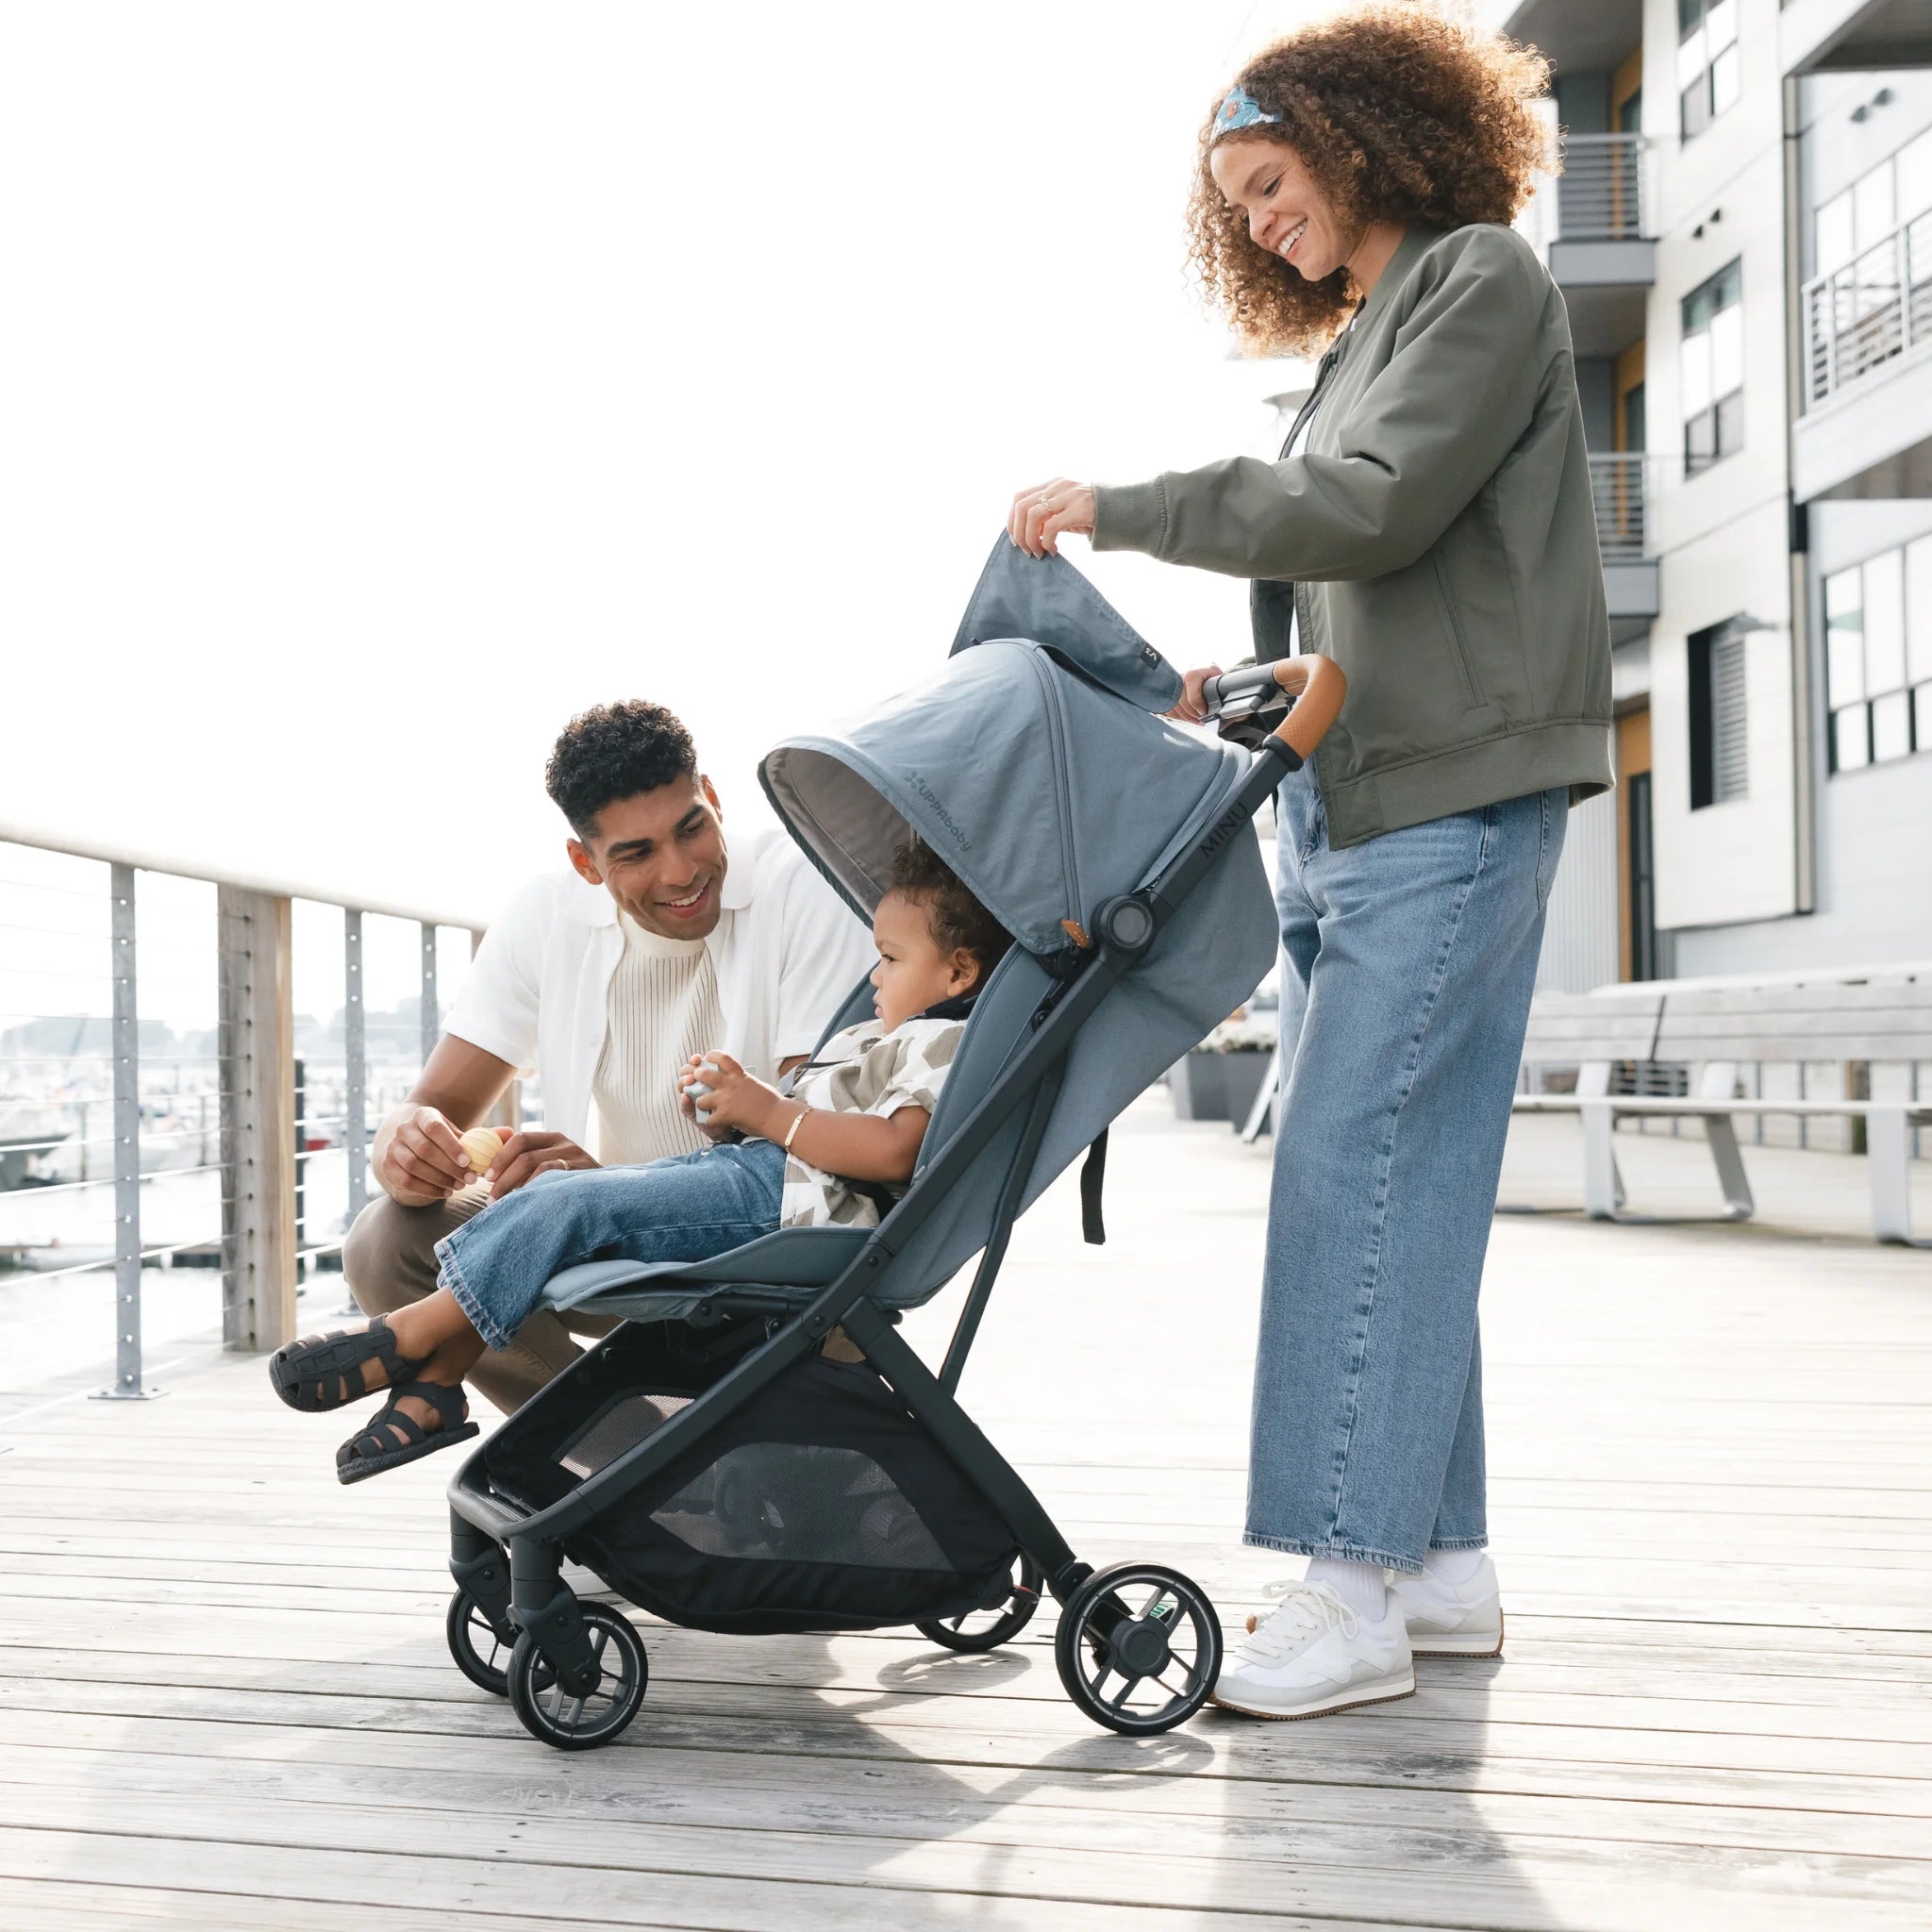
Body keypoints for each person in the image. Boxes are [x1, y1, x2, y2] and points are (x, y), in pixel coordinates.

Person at [1008, 6, 1611, 1719]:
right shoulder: (1368, 332)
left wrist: (1119, 504)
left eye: (1272, 186)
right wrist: (1237, 687)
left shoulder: (1475, 278)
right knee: (1396, 1185)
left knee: (1347, 1172)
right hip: (1352, 796)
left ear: (1359, 142)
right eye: (1239, 207)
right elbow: (1366, 579)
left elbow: (1368, 511)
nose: (1261, 224)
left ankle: (1340, 1583)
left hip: (1438, 804)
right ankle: (1436, 1563)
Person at [272, 842, 1011, 1481]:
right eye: (634, 851)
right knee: (551, 1198)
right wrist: (733, 1114)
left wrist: (768, 1111)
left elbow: (894, 1151)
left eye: (888, 959)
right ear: (586, 859)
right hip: (756, 1183)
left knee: (564, 1205)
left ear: (958, 973)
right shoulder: (888, 1038)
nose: (873, 976)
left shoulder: (941, 1042)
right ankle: (435, 1387)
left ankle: (408, 1340)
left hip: (785, 1212)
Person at [341, 700, 874, 1417]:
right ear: (585, 863)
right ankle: (622, 1465)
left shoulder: (802, 885)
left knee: (553, 1219)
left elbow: (807, 1153)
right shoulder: (545, 916)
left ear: (713, 797)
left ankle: (633, 1487)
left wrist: (611, 1192)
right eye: (635, 853)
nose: (682, 871)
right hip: (610, 1244)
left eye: (693, 828)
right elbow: (432, 1104)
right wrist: (402, 1146)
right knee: (385, 1242)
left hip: (763, 1251)